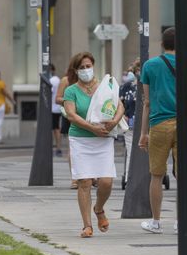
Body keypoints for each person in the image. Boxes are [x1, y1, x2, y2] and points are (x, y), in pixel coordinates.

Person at [138, 27, 187, 234]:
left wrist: (143, 133)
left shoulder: (149, 66)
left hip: (159, 124)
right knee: (184, 175)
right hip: (186, 125)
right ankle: (180, 222)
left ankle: (156, 222)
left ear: (162, 44)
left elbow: (147, 103)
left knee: (156, 175)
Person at [63, 52, 125, 238]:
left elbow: (119, 105)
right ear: (76, 70)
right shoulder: (71, 90)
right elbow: (71, 115)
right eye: (81, 67)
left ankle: (99, 208)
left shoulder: (104, 87)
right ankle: (87, 225)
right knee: (85, 182)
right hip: (80, 140)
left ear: (93, 66)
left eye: (88, 66)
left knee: (106, 181)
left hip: (103, 139)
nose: (85, 70)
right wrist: (92, 128)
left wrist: (114, 121)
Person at [56, 56, 80, 189]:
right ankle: (75, 178)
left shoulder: (89, 82)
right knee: (73, 148)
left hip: (85, 115)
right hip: (70, 116)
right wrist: (70, 100)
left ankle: (90, 176)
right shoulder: (66, 80)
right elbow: (57, 98)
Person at [119, 60, 139, 185]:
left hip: (148, 124)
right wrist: (123, 115)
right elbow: (119, 102)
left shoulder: (151, 85)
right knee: (131, 151)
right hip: (130, 123)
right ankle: (129, 178)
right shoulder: (127, 87)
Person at [50, 64, 62, 157]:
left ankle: (57, 148)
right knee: (56, 128)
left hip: (52, 108)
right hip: (57, 108)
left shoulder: (51, 80)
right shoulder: (58, 80)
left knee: (55, 129)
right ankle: (58, 148)